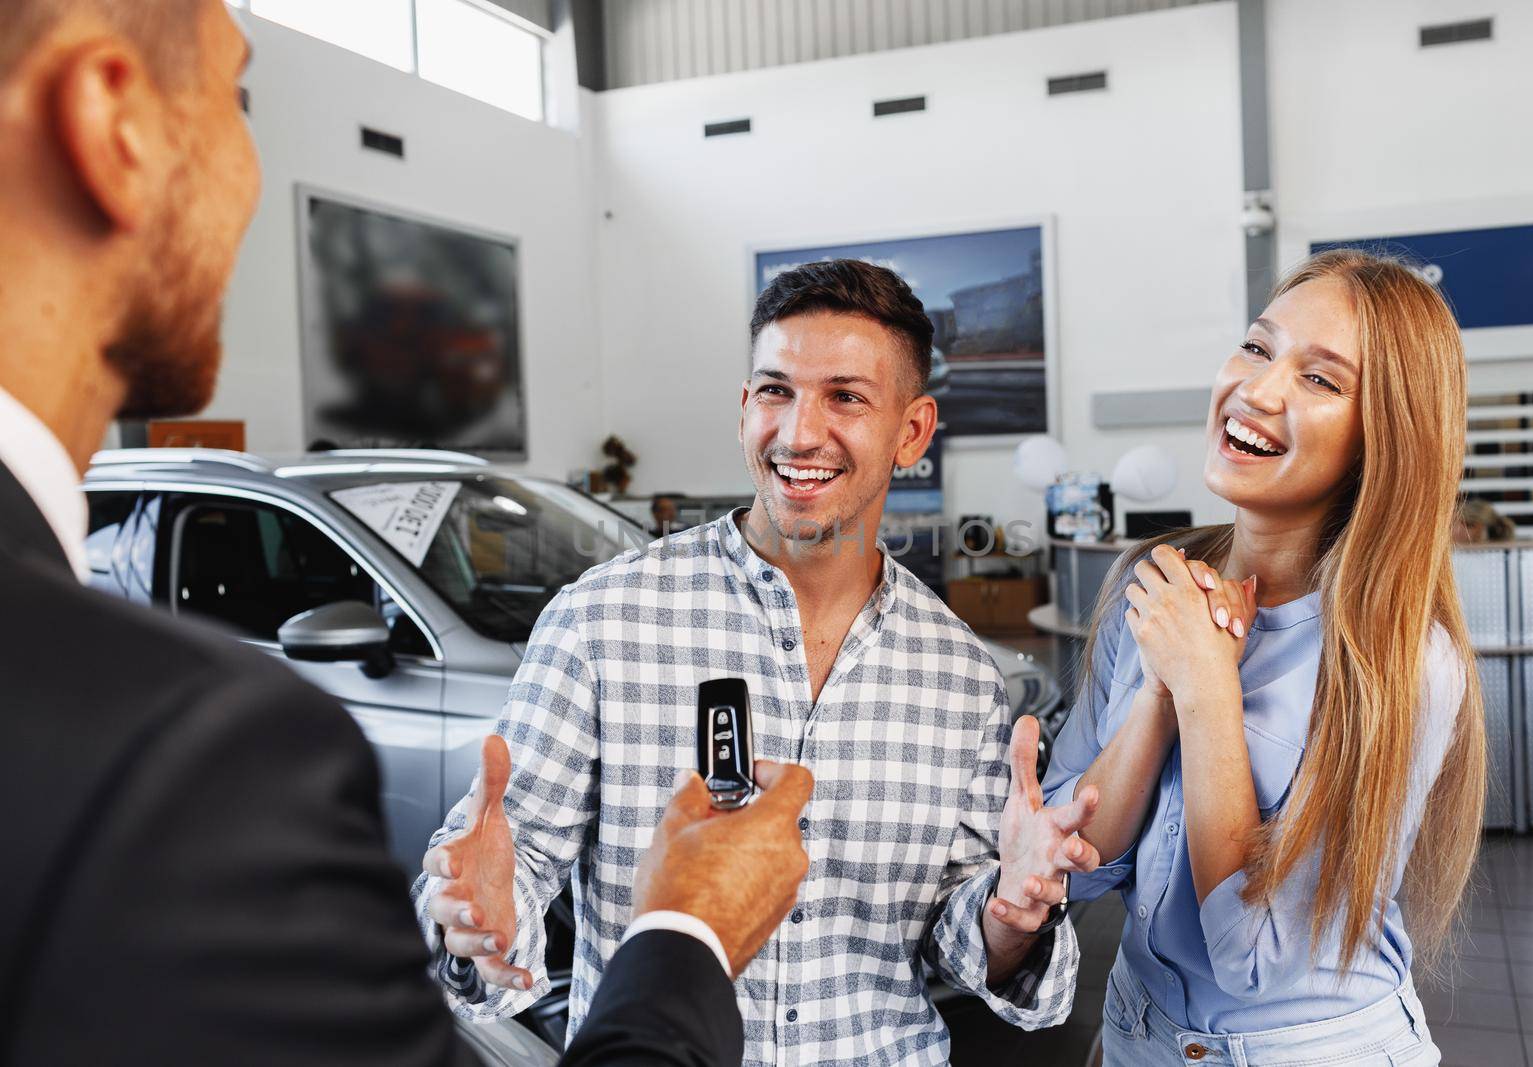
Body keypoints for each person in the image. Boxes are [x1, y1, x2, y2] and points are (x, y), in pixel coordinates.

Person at [0, 3, 811, 1064]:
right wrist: (689, 925)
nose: (253, 171)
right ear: (111, 120)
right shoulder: (187, 757)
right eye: (237, 97)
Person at [414, 259, 1104, 1065]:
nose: (799, 432)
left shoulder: (958, 672)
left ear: (911, 431)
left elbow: (964, 934)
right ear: (746, 407)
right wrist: (477, 918)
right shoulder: (601, 619)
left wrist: (1010, 913)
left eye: (845, 396)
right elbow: (509, 866)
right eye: (776, 390)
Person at [1043, 249, 1486, 1065]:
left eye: (1321, 379)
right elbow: (1073, 861)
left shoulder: (1401, 659)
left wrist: (1208, 688)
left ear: (1383, 436)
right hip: (1137, 1033)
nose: (1260, 388)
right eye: (1257, 346)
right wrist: (1158, 693)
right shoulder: (1152, 582)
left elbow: (1255, 956)